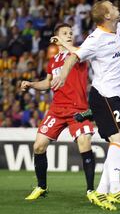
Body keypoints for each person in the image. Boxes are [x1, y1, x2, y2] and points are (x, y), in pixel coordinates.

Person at [51, 0, 120, 211]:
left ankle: (100, 191)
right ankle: (115, 190)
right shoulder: (96, 39)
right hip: (103, 96)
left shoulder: (119, 29)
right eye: (113, 7)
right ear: (107, 16)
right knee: (119, 140)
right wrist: (62, 73)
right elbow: (73, 57)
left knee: (119, 143)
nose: (117, 7)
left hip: (113, 96)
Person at [21, 23, 96, 202]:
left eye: (70, 33)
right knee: (38, 146)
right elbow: (48, 84)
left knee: (84, 143)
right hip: (57, 109)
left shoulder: (78, 53)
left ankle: (91, 190)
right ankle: (41, 186)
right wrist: (31, 84)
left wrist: (64, 43)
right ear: (57, 37)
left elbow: (78, 52)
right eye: (65, 33)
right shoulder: (53, 61)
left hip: (78, 109)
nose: (69, 35)